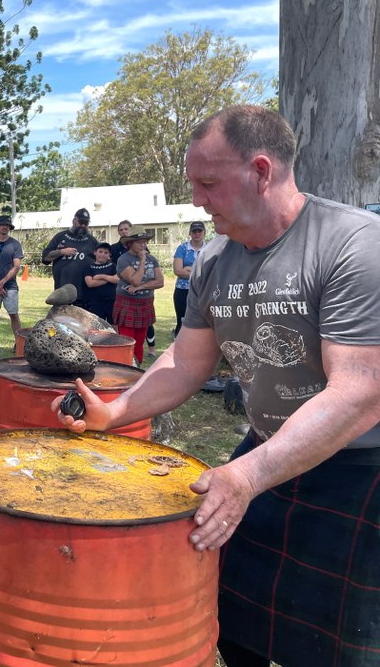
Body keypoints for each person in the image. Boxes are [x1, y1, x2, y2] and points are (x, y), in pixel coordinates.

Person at [54, 105, 380, 667]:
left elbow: (359, 394)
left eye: (208, 183)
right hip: (265, 450)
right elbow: (185, 360)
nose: (198, 201)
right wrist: (117, 411)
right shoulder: (213, 261)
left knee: (339, 649)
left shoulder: (354, 245)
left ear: (261, 171)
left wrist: (246, 475)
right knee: (231, 616)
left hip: (358, 470)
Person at [112, 227, 163, 365]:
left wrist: (140, 287)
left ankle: (137, 371)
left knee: (140, 343)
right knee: (128, 343)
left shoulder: (152, 259)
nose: (143, 245)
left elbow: (160, 282)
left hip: (145, 303)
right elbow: (135, 280)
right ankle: (125, 371)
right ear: (130, 243)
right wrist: (142, 261)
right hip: (127, 303)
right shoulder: (124, 259)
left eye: (145, 242)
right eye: (139, 242)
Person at [41, 207, 98, 305]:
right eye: (81, 222)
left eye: (86, 223)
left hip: (84, 293)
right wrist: (61, 252)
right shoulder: (60, 237)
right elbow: (45, 257)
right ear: (74, 220)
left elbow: (101, 260)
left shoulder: (92, 241)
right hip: (63, 292)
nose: (83, 225)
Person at [0, 214, 23, 342]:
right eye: (2, 225)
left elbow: (16, 267)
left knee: (13, 315)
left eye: (7, 225)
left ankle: (18, 343)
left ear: (9, 227)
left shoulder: (15, 244)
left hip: (10, 286)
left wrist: (2, 282)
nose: (4, 227)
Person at [172, 221, 207, 337]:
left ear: (204, 233)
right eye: (194, 231)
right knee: (182, 321)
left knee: (202, 323)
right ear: (190, 233)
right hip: (182, 290)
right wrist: (199, 272)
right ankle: (178, 350)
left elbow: (212, 272)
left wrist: (188, 269)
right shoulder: (182, 248)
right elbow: (177, 270)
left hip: (203, 291)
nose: (197, 234)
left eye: (199, 231)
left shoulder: (209, 249)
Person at [83, 242, 118, 324]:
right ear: (95, 252)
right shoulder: (89, 267)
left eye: (106, 253)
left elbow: (117, 279)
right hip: (95, 302)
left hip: (112, 301)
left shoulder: (113, 266)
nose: (102, 254)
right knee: (97, 325)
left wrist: (100, 276)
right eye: (100, 251)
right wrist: (109, 278)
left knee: (113, 325)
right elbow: (90, 283)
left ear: (109, 254)